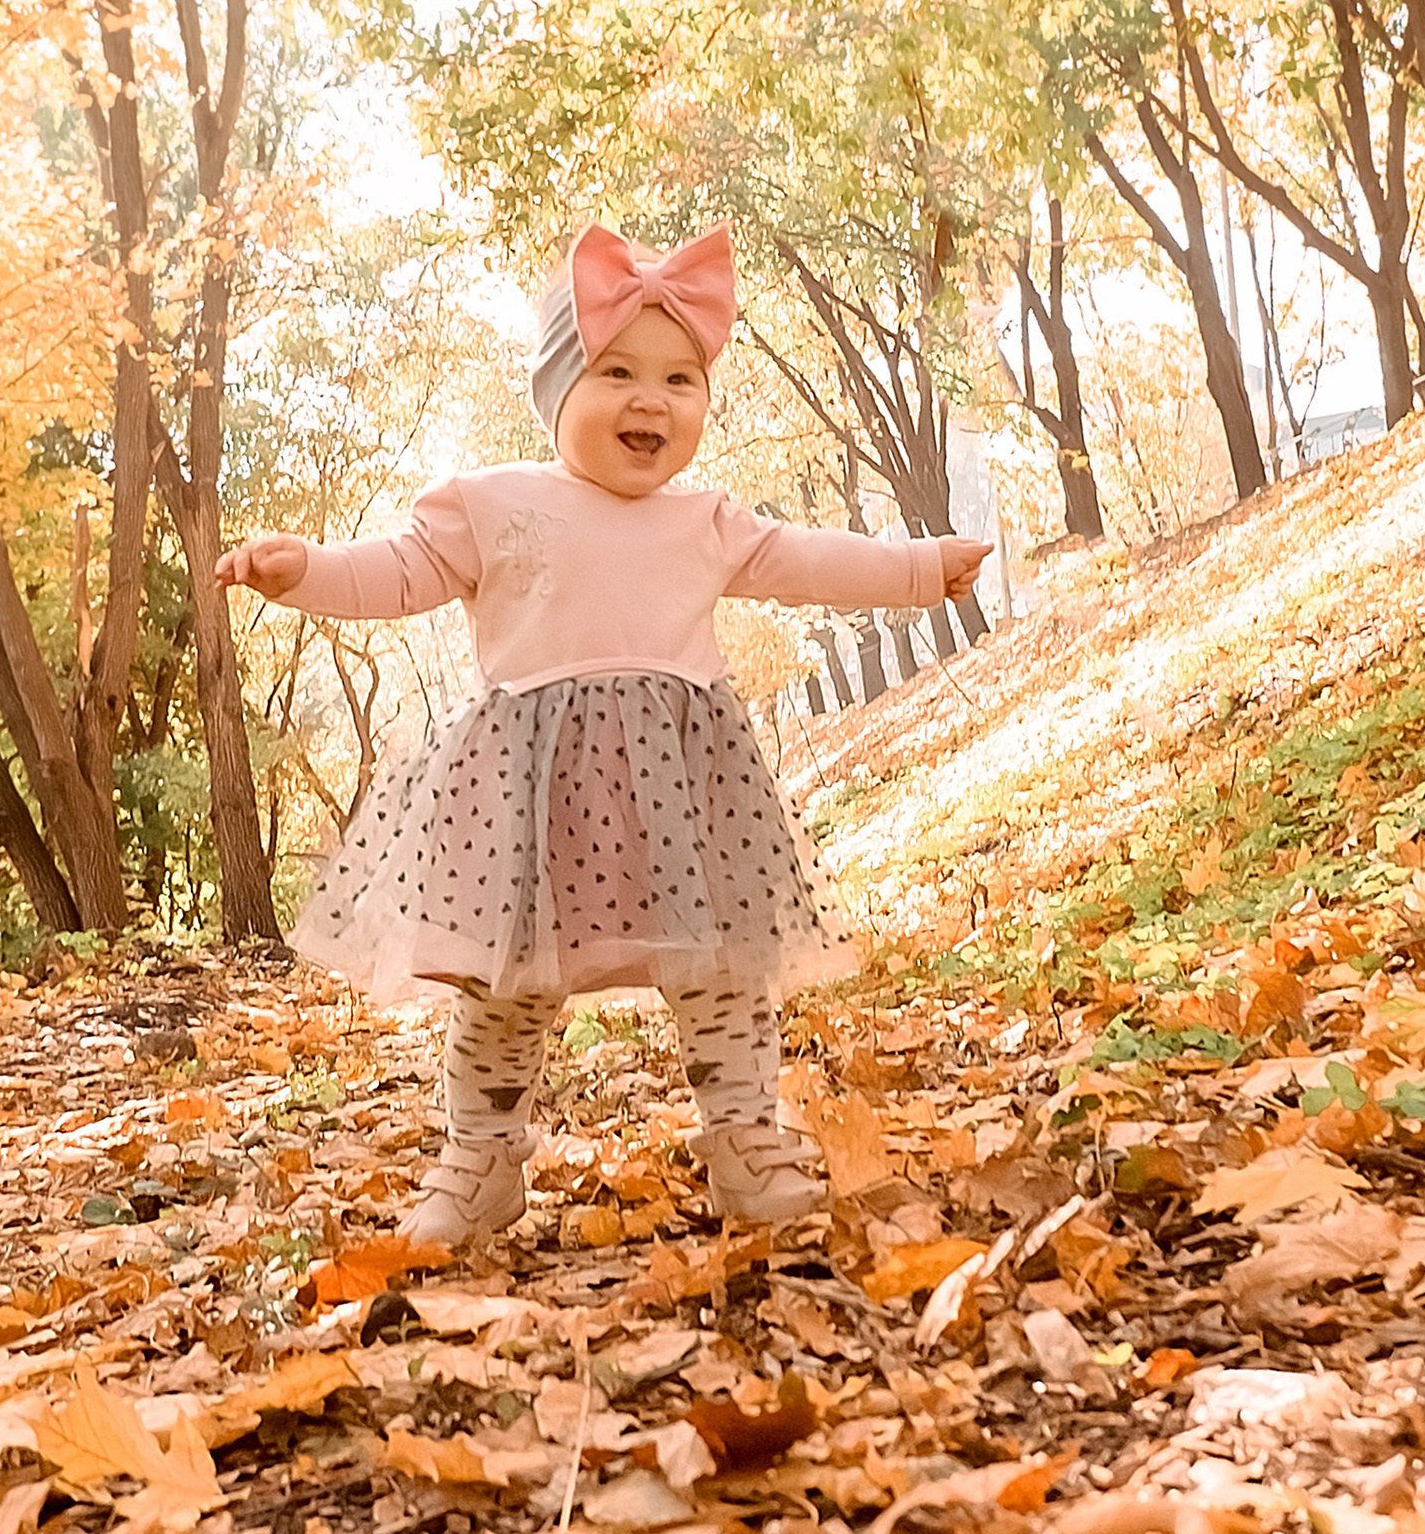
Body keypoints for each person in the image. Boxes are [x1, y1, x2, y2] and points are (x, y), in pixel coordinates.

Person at [217, 222, 989, 1247]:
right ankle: (478, 1159)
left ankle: (746, 1139)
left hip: (683, 790)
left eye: (680, 380)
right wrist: (303, 570)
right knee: (507, 986)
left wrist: (920, 567)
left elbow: (812, 561)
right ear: (556, 392)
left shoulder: (704, 520)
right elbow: (397, 572)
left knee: (721, 969)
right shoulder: (494, 504)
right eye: (616, 371)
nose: (650, 399)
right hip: (530, 797)